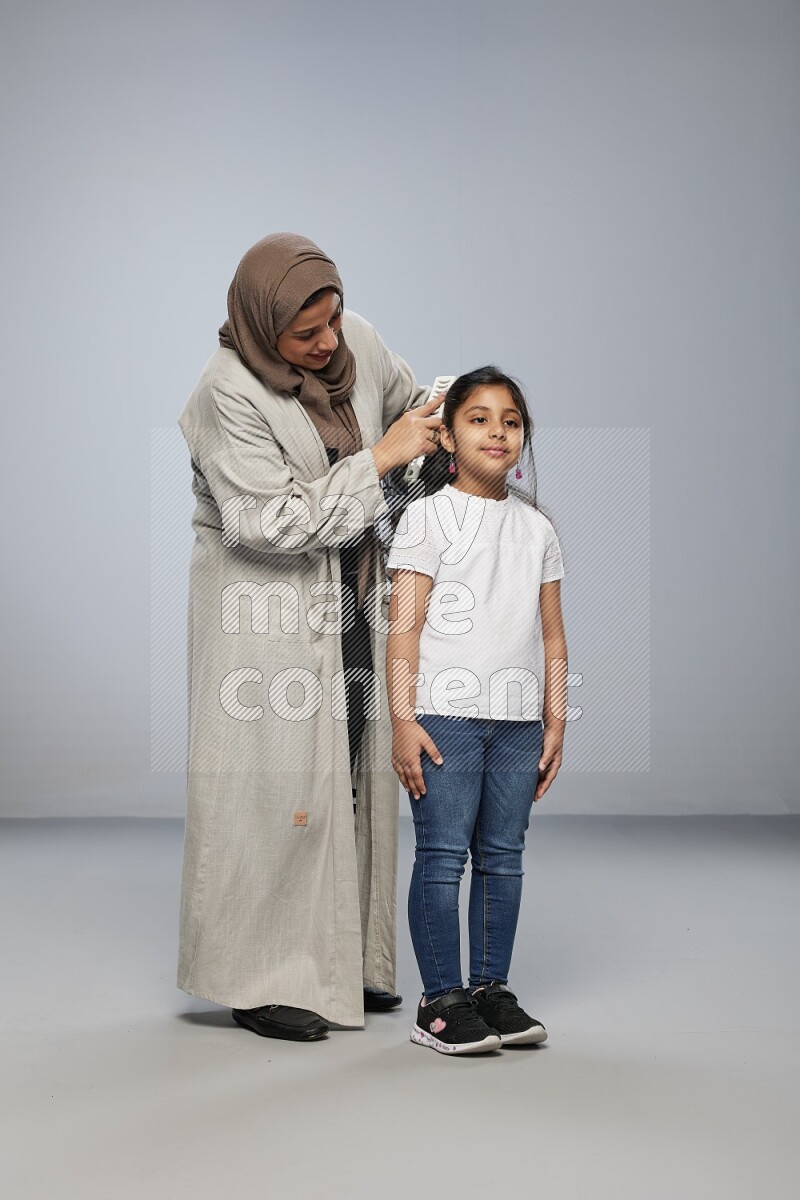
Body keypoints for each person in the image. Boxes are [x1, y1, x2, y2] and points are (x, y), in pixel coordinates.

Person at [177, 233, 444, 1041]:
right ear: (263, 327)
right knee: (271, 791)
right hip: (265, 615)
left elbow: (409, 409)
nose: (329, 341)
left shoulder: (355, 339)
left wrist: (447, 428)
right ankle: (257, 979)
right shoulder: (226, 393)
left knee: (351, 774)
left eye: (333, 317)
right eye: (307, 332)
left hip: (352, 596)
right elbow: (268, 522)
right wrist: (381, 459)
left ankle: (343, 965)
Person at [385, 365, 568, 1055]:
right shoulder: (426, 517)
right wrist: (403, 720)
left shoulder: (537, 529)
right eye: (479, 418)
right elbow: (404, 628)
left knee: (502, 857)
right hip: (444, 718)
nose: (498, 431)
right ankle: (440, 1001)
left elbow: (552, 634)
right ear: (449, 437)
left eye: (511, 421)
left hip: (518, 723)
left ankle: (491, 990)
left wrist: (555, 720)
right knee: (441, 857)